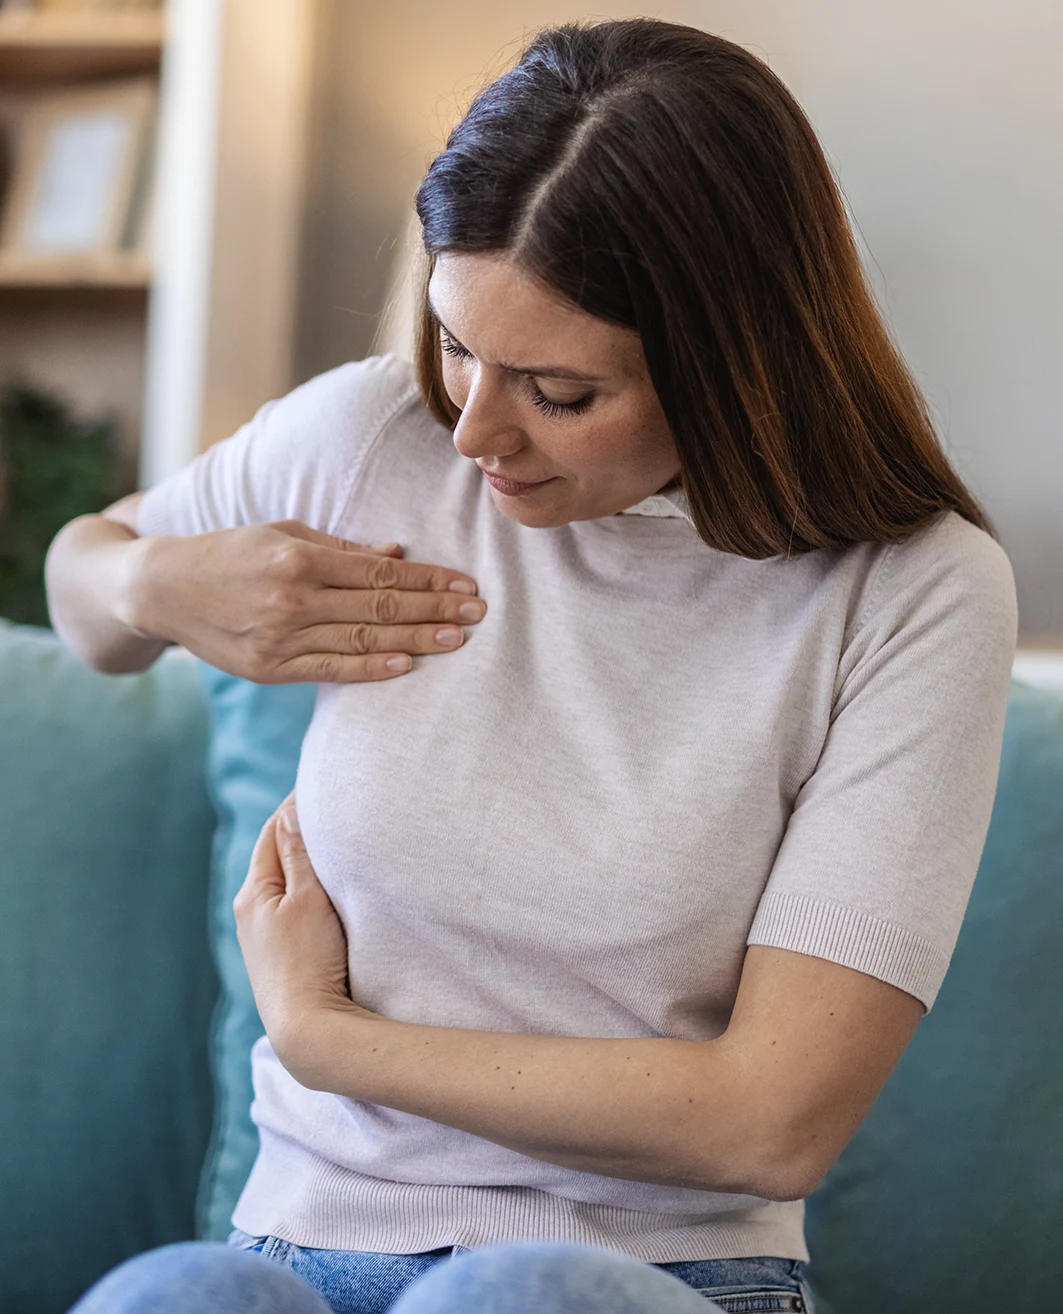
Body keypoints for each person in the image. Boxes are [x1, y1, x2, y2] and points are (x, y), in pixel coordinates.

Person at [49, 16, 1017, 1314]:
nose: (473, 434)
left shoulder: (909, 590)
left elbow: (770, 1123)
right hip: (299, 1246)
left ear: (731, 366)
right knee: (170, 1298)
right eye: (457, 343)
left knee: (506, 1299)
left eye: (559, 393)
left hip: (657, 1269)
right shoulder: (369, 437)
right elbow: (82, 591)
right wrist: (151, 583)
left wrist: (329, 1039)